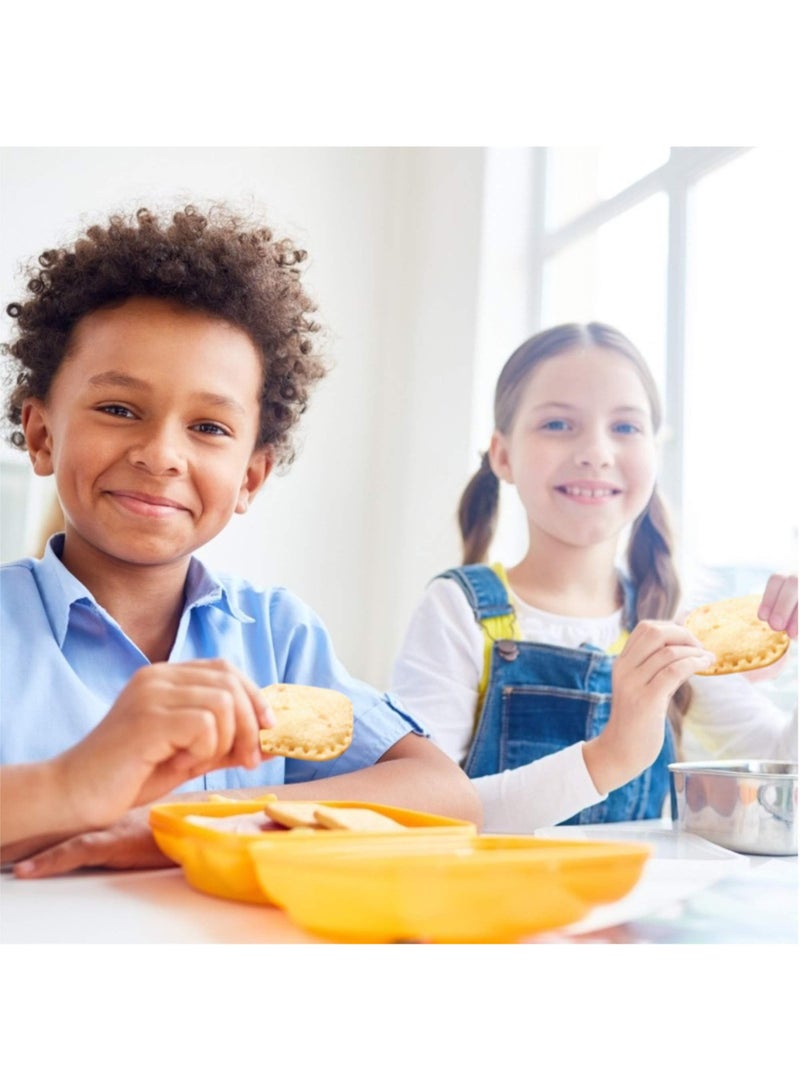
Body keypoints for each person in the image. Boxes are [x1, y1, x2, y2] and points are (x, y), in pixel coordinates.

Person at [0, 204, 481, 874]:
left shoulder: (277, 635)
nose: (161, 453)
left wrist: (186, 824)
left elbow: (446, 795)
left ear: (252, 475)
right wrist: (72, 784)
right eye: (118, 409)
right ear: (43, 434)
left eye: (210, 427)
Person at [391, 322, 797, 833]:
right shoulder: (459, 609)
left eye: (625, 427)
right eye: (558, 425)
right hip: (488, 909)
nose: (596, 452)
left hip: (629, 911)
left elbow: (787, 787)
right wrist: (610, 756)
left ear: (655, 452)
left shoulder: (673, 624)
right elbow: (419, 812)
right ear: (503, 454)